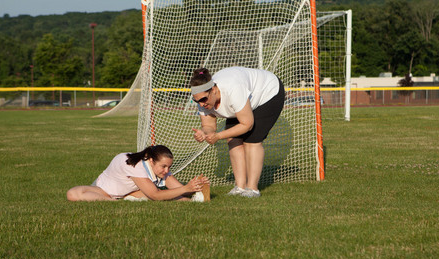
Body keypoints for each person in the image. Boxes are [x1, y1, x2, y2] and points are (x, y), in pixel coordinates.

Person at [190, 66, 285, 198]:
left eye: (203, 99)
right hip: (242, 102)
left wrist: (218, 136)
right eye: (196, 101)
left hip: (268, 93)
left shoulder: (233, 89)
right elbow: (208, 125)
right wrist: (204, 133)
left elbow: (247, 125)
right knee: (233, 139)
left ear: (213, 90)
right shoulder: (203, 99)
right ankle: (240, 187)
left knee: (252, 141)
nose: (201, 104)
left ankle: (252, 189)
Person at [67, 145, 208, 201]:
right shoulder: (136, 166)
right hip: (102, 191)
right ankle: (114, 202)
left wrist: (195, 186)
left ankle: (195, 201)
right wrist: (185, 188)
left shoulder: (159, 168)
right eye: (164, 166)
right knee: (72, 193)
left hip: (128, 192)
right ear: (151, 161)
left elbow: (179, 190)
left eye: (169, 167)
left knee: (176, 197)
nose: (167, 171)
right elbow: (155, 195)